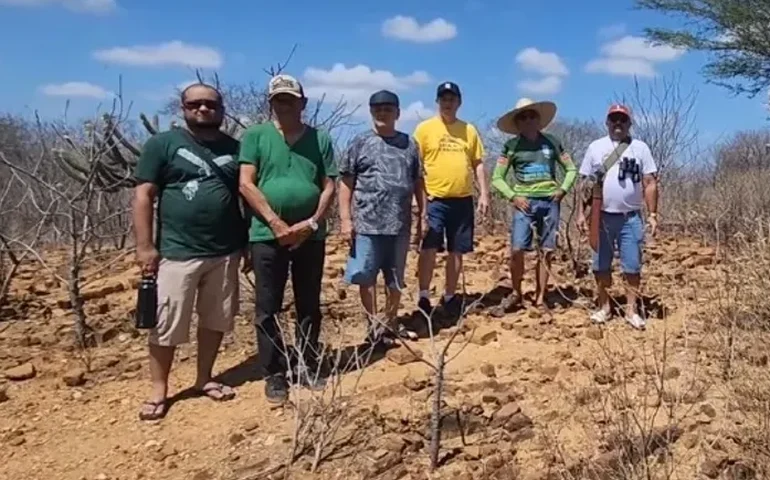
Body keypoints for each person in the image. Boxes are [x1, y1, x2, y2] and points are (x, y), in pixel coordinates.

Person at [133, 83, 247, 421]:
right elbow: (143, 195)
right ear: (182, 108)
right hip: (176, 251)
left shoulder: (236, 149)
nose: (203, 109)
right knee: (166, 323)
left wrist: (248, 244)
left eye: (210, 104)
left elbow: (245, 196)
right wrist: (145, 246)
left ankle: (204, 378)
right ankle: (158, 390)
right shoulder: (162, 145)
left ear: (222, 108)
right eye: (194, 104)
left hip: (225, 250)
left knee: (215, 319)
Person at [238, 74, 337, 404]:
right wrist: (276, 223)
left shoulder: (319, 139)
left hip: (311, 235)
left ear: (303, 103)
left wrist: (311, 222)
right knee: (268, 307)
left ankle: (308, 363)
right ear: (271, 103)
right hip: (268, 236)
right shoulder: (255, 136)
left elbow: (329, 185)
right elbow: (246, 183)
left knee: (308, 303)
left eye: (291, 99)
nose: (285, 105)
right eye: (279, 99)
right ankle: (275, 372)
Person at [338, 90, 425, 345]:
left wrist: (424, 216)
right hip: (366, 224)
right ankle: (373, 326)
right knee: (366, 276)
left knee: (395, 279)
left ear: (398, 113)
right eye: (377, 108)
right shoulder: (359, 142)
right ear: (371, 111)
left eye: (388, 108)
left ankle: (391, 322)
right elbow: (345, 182)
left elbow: (419, 183)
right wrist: (346, 219)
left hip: (400, 224)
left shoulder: (410, 145)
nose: (382, 112)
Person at [490, 98, 577, 313]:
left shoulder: (553, 143)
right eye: (523, 117)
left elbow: (571, 169)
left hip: (549, 202)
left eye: (532, 116)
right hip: (524, 202)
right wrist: (513, 197)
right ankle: (516, 293)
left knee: (546, 250)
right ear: (518, 123)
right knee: (517, 249)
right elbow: (497, 178)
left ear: (539, 120)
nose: (528, 120)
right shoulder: (511, 147)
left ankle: (540, 298)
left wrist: (562, 190)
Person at [577, 104, 659, 330]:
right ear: (607, 122)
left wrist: (652, 214)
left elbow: (650, 183)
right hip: (600, 217)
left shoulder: (640, 148)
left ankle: (631, 309)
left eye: (622, 120)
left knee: (632, 266)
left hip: (630, 218)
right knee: (600, 265)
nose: (618, 124)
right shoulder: (595, 147)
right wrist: (580, 215)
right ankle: (604, 307)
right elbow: (584, 184)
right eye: (613, 119)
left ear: (629, 123)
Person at [413, 81, 489, 319]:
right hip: (434, 199)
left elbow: (478, 164)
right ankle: (424, 295)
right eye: (444, 99)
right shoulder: (424, 129)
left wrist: (484, 193)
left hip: (462, 199)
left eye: (452, 99)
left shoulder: (469, 130)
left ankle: (449, 296)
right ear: (438, 101)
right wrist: (417, 200)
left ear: (459, 102)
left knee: (456, 251)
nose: (448, 103)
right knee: (429, 249)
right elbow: (416, 166)